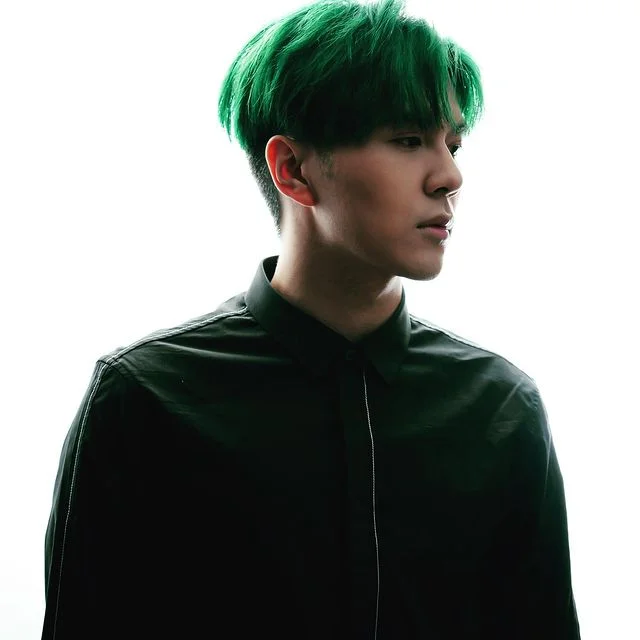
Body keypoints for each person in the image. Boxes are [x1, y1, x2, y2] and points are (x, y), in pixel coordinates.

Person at [41, 0, 581, 638]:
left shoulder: (503, 407)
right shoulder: (143, 399)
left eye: (453, 144)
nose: (450, 176)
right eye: (408, 140)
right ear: (293, 169)